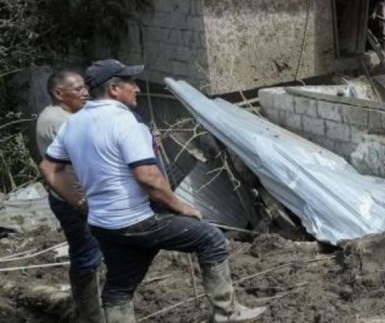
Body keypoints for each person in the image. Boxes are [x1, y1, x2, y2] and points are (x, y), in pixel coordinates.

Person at [39, 59, 265, 323]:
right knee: (211, 239)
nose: (137, 88)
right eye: (131, 83)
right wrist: (182, 206)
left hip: (103, 223)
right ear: (113, 88)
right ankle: (227, 314)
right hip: (136, 220)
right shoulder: (125, 122)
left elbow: (49, 168)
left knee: (120, 286)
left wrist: (80, 204)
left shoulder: (73, 124)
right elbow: (147, 177)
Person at [35, 70, 103, 322]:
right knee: (88, 256)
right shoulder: (61, 121)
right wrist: (80, 202)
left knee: (87, 253)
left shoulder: (64, 115)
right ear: (59, 93)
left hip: (72, 197)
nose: (85, 92)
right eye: (78, 89)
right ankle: (90, 315)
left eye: (85, 87)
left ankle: (87, 309)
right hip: (74, 200)